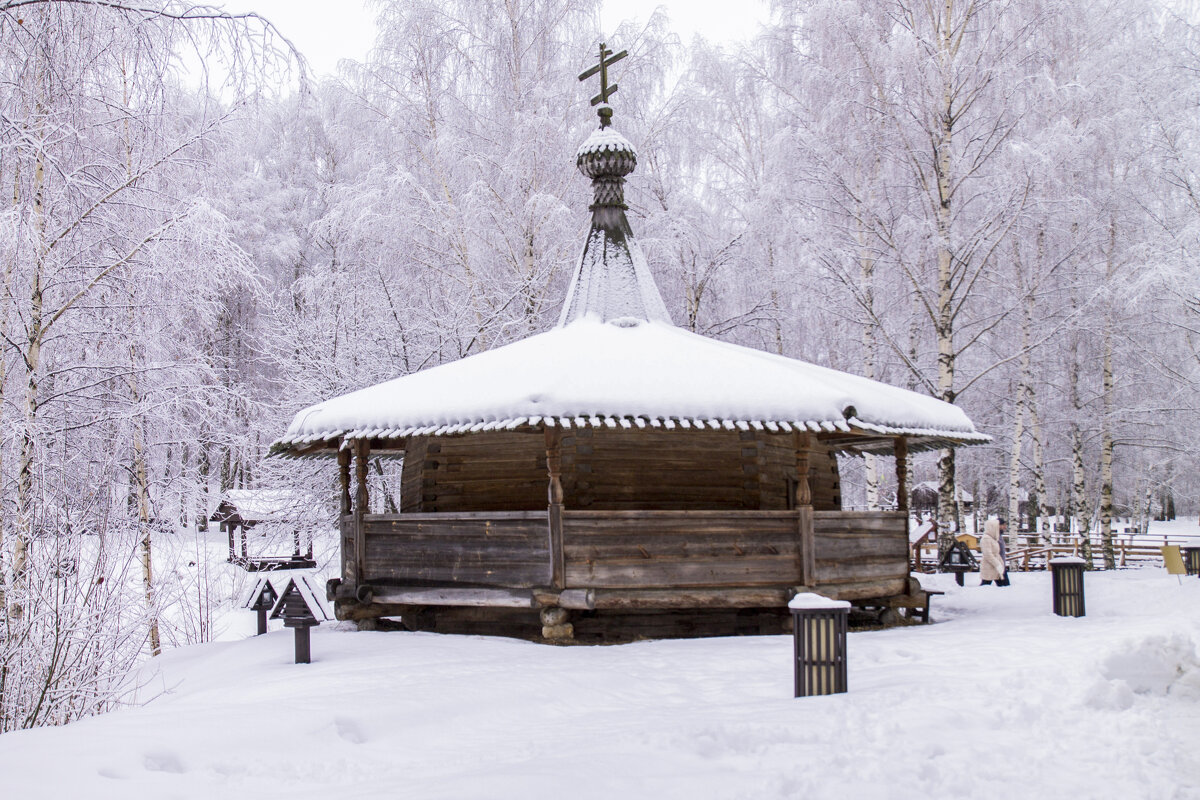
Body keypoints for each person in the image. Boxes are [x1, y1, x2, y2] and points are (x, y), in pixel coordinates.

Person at [980, 518, 1010, 587]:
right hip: (991, 567)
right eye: (1002, 525)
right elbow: (988, 554)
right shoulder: (986, 539)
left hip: (998, 566)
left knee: (1004, 586)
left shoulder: (994, 538)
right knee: (985, 586)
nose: (1004, 527)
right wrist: (998, 564)